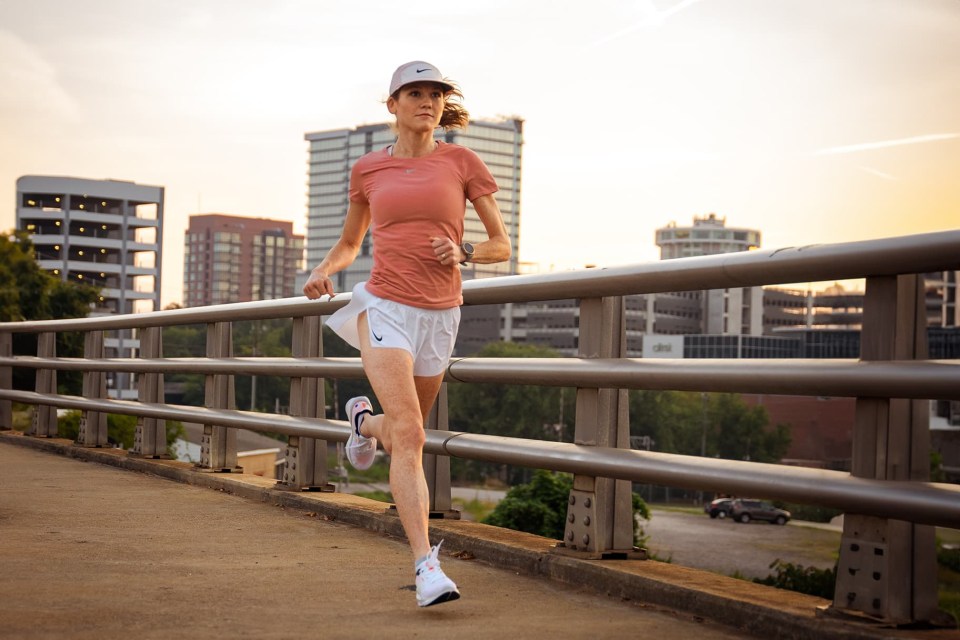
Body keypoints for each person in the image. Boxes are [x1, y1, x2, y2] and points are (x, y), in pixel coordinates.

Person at [302, 60, 511, 607]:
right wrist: (324, 270)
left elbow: (500, 244)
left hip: (441, 313)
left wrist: (464, 252)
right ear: (392, 105)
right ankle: (426, 567)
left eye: (435, 94)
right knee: (414, 435)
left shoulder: (463, 161)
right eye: (414, 93)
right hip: (385, 305)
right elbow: (351, 243)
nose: (427, 101)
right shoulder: (369, 169)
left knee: (400, 435)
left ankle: (362, 422)